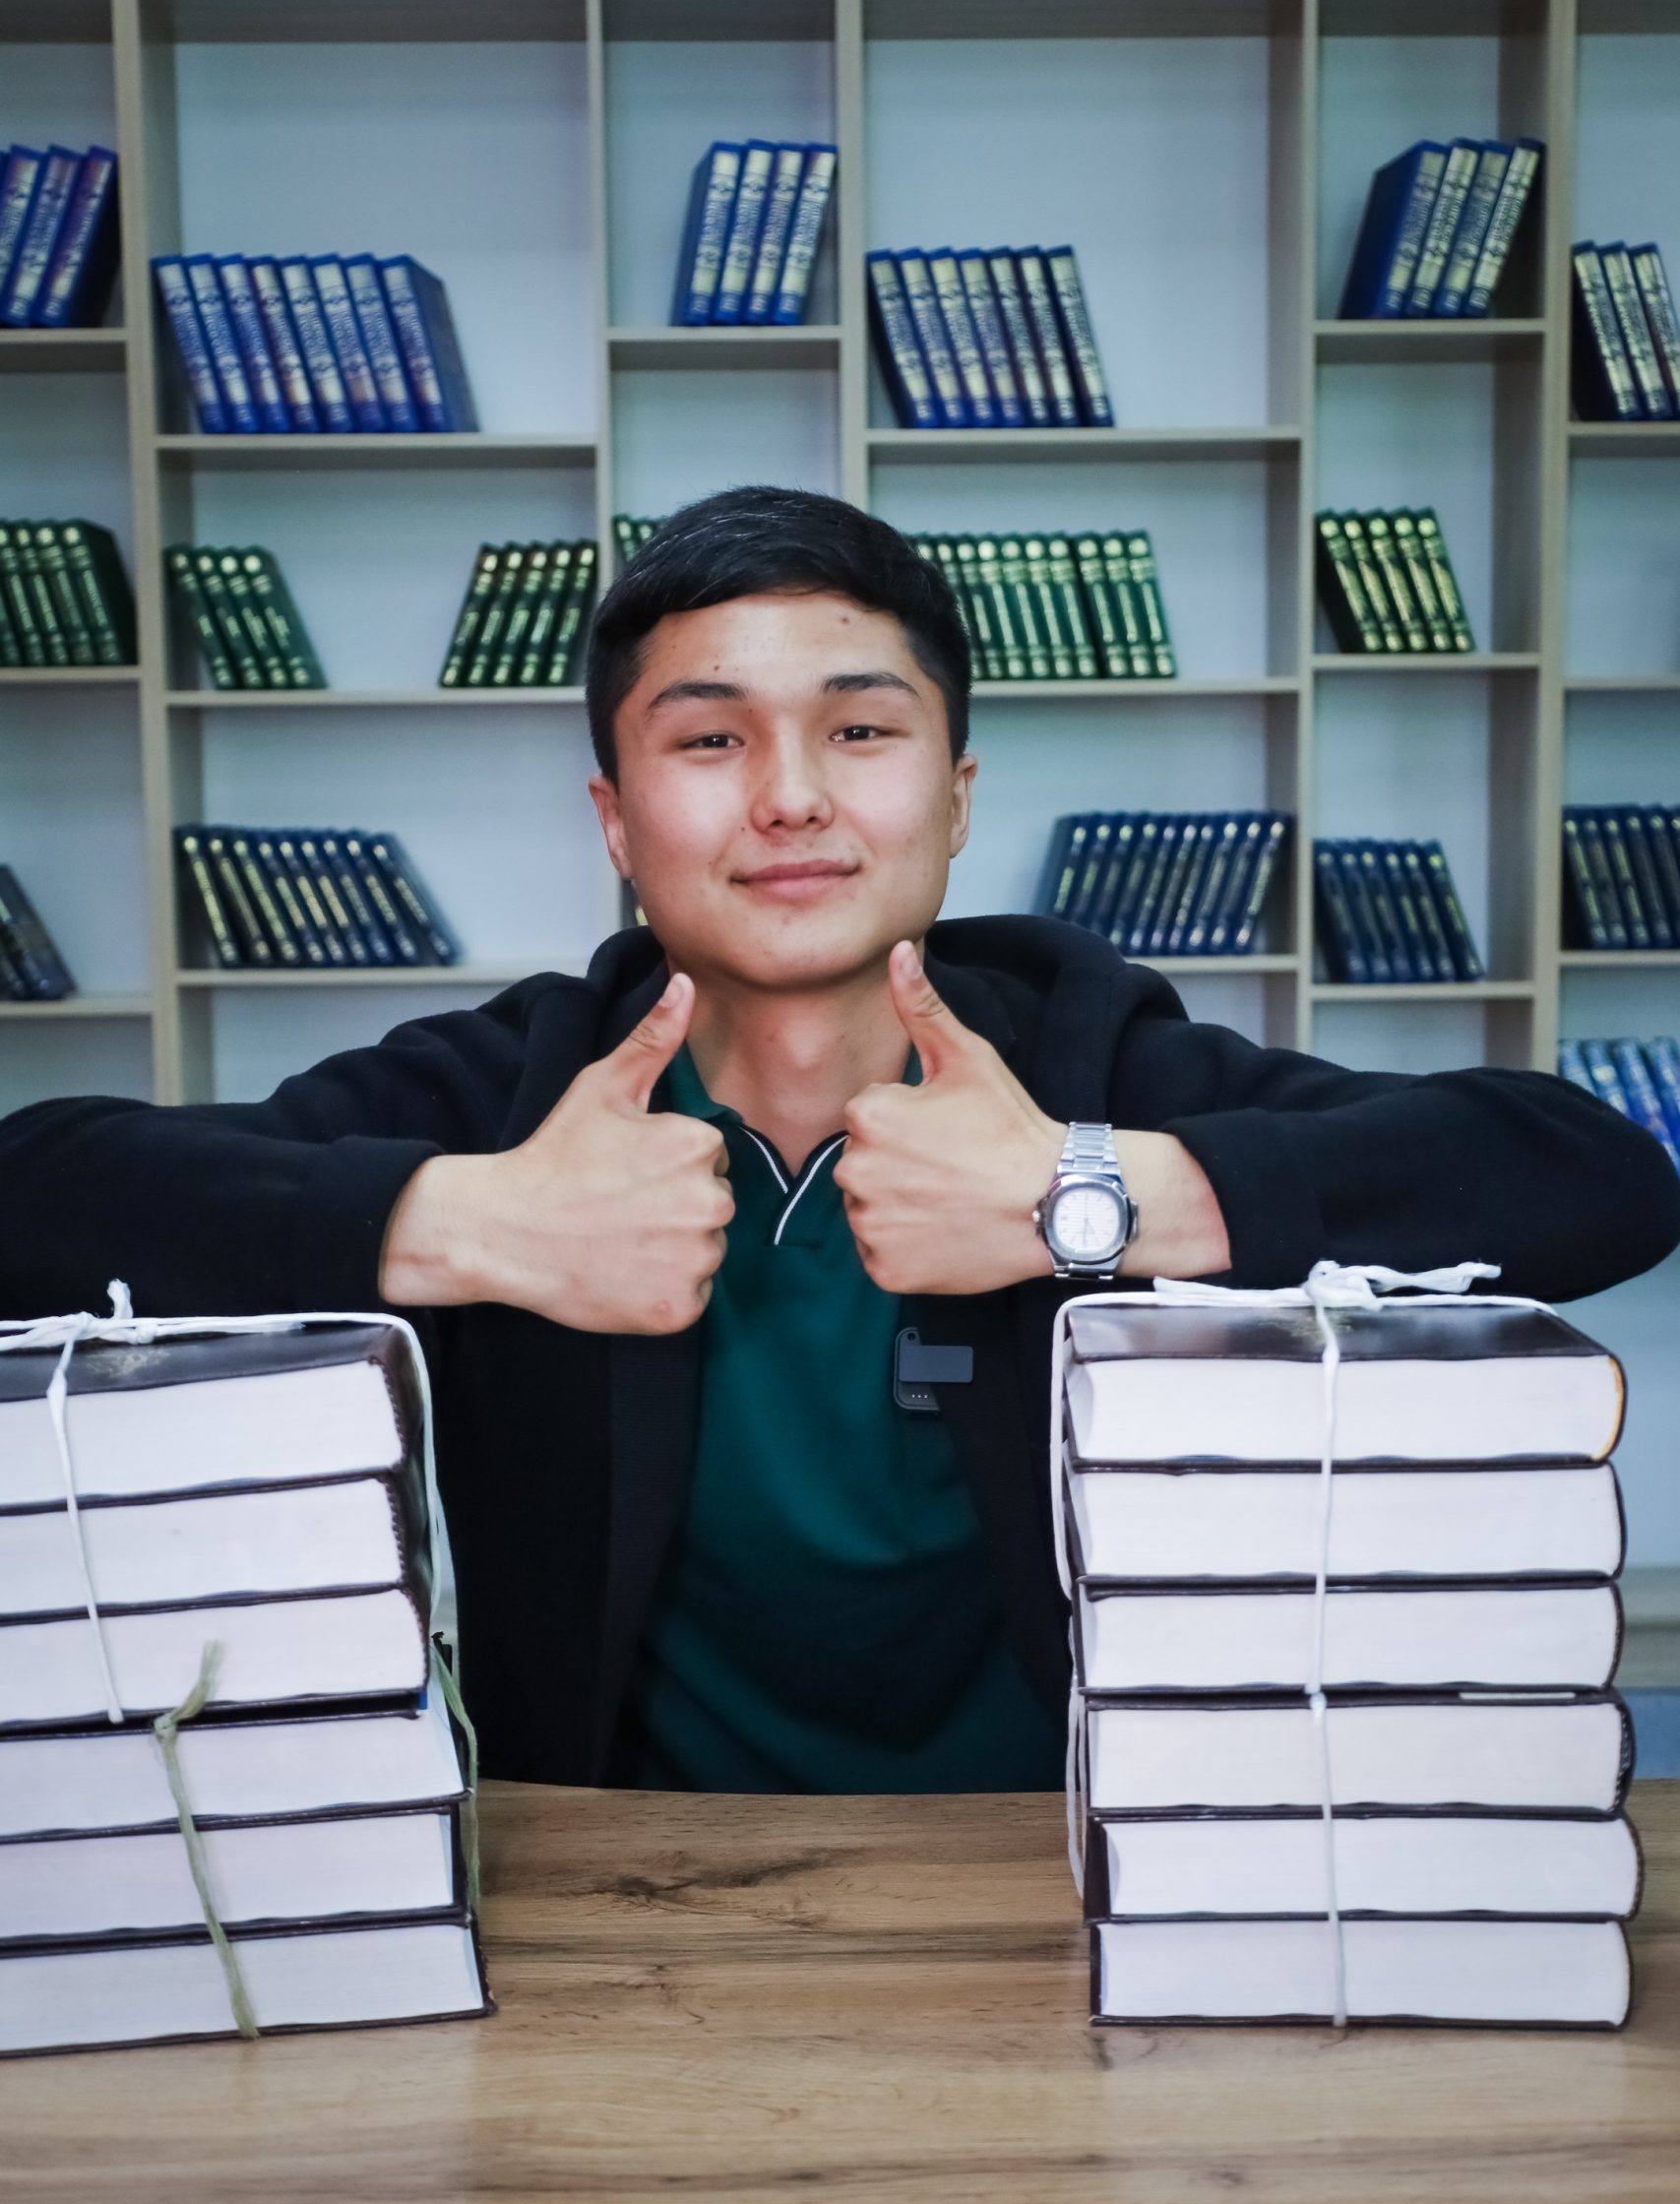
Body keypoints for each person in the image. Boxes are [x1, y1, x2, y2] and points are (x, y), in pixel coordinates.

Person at [3, 485, 1677, 1790]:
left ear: (955, 794)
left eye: (861, 731)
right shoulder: (516, 1093)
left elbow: (1590, 1172)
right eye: (708, 739)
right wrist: (476, 1225)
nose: (791, 796)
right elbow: (36, 1191)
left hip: (1079, 1881)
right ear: (616, 822)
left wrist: (1086, 1195)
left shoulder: (1095, 1065)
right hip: (604, 1900)